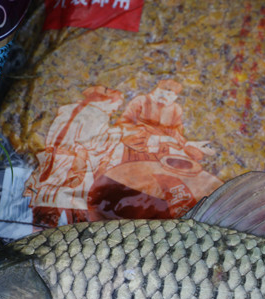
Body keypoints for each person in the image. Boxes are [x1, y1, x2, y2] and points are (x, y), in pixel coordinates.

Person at [24, 86, 124, 229]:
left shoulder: (74, 110)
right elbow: (89, 145)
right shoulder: (88, 114)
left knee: (55, 205)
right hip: (69, 165)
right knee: (62, 208)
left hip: (63, 164)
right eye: (114, 105)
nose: (113, 110)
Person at [116, 79, 213, 163]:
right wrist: (152, 138)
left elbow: (176, 132)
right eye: (162, 92)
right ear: (155, 91)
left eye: (169, 94)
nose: (164, 96)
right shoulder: (141, 101)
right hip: (138, 143)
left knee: (195, 156)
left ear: (175, 97)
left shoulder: (176, 109)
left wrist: (186, 143)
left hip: (163, 149)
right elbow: (124, 124)